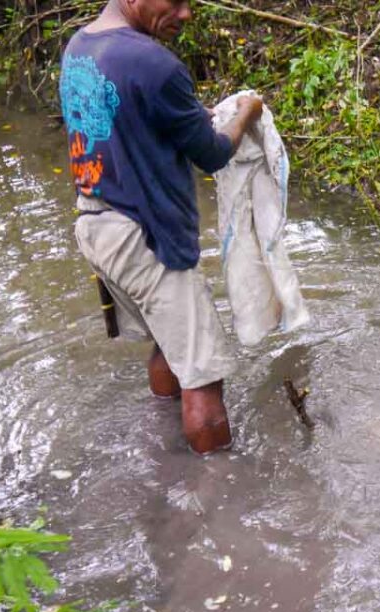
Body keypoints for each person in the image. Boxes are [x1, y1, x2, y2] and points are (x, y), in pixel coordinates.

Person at [59, 0, 263, 454]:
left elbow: (134, 120)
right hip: (147, 239)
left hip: (97, 225)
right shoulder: (154, 63)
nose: (185, 13)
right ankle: (221, 499)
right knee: (204, 378)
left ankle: (164, 455)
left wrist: (196, 114)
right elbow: (210, 155)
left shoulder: (81, 46)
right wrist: (248, 112)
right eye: (175, 2)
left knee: (166, 343)